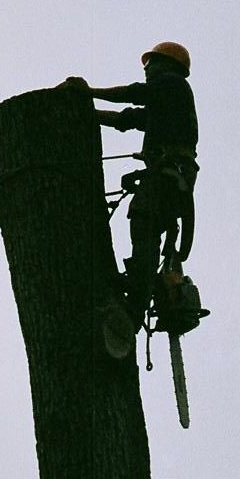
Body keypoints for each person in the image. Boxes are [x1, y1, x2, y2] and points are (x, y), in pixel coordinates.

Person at [76, 41, 198, 329]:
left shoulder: (172, 85)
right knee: (146, 224)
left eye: (150, 64)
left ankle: (136, 301)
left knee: (143, 218)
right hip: (169, 177)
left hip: (169, 175)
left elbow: (133, 95)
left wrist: (88, 93)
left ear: (167, 65)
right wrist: (84, 112)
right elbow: (126, 119)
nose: (147, 71)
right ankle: (140, 287)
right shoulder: (165, 106)